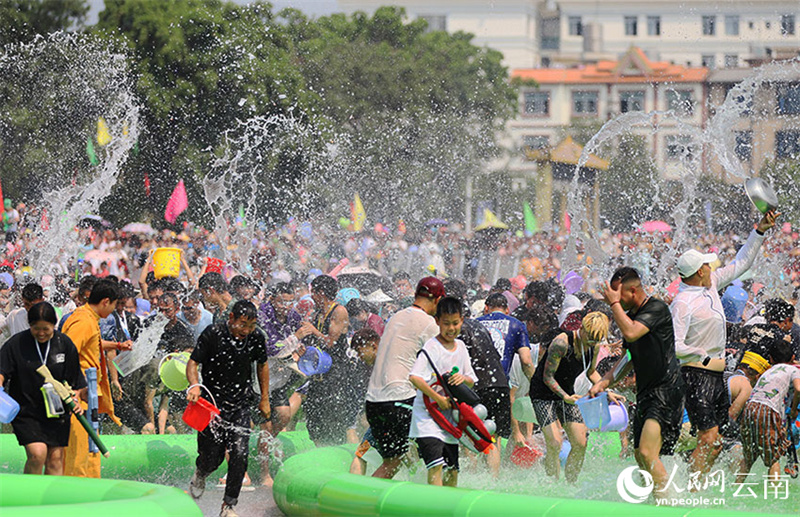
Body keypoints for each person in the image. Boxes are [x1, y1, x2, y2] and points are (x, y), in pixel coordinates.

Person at [671, 209, 778, 477]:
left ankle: (695, 484)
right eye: (707, 265)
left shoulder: (711, 284)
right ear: (698, 272)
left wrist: (760, 231)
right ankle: (689, 489)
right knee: (708, 439)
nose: (712, 267)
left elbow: (743, 263)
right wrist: (703, 356)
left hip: (717, 378)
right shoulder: (682, 303)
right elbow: (674, 346)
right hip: (696, 375)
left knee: (716, 443)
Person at [590, 267, 685, 497]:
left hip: (666, 390)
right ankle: (658, 500)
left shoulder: (657, 308)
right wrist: (604, 381)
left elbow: (632, 333)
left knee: (647, 451)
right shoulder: (631, 316)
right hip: (646, 393)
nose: (616, 302)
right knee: (639, 455)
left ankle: (672, 507)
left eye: (618, 296)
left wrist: (613, 305)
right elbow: (628, 357)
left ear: (633, 290)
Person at [187, 300, 269, 517]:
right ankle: (201, 472)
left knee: (240, 454)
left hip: (241, 405)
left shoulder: (256, 337)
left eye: (251, 326)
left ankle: (228, 506)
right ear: (231, 318)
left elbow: (262, 365)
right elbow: (193, 362)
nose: (246, 331)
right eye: (243, 324)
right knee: (212, 458)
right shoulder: (213, 333)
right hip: (211, 406)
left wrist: (265, 399)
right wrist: (194, 386)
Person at [365, 276, 444, 479]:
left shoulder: (396, 316)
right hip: (399, 400)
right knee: (437, 453)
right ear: (437, 300)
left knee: (392, 461)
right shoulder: (428, 323)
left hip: (374, 402)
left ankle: (364, 504)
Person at [0, 302, 87, 475]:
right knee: (37, 454)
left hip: (57, 411)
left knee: (55, 459)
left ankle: (52, 500)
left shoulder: (64, 344)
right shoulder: (17, 344)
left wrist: (77, 398)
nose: (41, 333)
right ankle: (29, 497)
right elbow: (2, 371)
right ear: (29, 325)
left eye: (46, 329)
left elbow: (77, 382)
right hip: (26, 410)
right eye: (36, 328)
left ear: (54, 325)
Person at [528, 311, 609, 482]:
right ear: (582, 328)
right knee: (555, 443)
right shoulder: (561, 343)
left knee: (580, 443)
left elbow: (591, 372)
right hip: (543, 393)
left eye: (597, 340)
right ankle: (553, 484)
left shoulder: (593, 346)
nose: (592, 342)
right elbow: (547, 377)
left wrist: (605, 389)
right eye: (590, 338)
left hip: (567, 393)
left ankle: (570, 484)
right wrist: (565, 396)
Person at [62, 278, 129, 478]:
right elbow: (65, 355)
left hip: (87, 396)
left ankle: (92, 499)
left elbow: (93, 344)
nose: (115, 310)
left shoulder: (90, 318)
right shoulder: (83, 320)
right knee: (78, 455)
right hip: (77, 395)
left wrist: (117, 346)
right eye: (115, 305)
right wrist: (71, 390)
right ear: (105, 301)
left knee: (91, 453)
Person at [444, 278, 510, 478]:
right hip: (500, 384)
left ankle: (476, 478)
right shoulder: (480, 327)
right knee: (493, 436)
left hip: (480, 388)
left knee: (473, 434)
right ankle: (494, 480)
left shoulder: (458, 331)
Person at [408, 296, 476, 487]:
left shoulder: (461, 347)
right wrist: (437, 397)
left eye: (455, 323)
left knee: (453, 472)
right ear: (437, 321)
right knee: (436, 466)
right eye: (446, 324)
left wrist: (463, 379)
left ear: (462, 320)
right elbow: (414, 377)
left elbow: (471, 380)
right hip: (427, 418)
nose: (451, 328)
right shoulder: (431, 346)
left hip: (450, 420)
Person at [256, 282, 312, 486]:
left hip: (280, 376)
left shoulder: (293, 316)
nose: (287, 306)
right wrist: (295, 339)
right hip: (260, 379)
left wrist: (301, 346)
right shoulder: (262, 316)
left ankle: (265, 444)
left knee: (285, 416)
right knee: (266, 424)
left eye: (290, 301)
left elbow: (295, 341)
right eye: (282, 302)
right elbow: (271, 348)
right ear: (272, 299)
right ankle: (263, 473)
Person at [737, 339, 800, 483]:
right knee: (773, 456)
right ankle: (774, 492)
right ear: (792, 358)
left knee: (749, 456)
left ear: (770, 359)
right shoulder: (793, 370)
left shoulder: (768, 370)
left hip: (750, 407)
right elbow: (798, 388)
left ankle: (736, 486)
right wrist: (794, 409)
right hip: (768, 408)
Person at [302, 275, 352, 445]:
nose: (312, 297)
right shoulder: (318, 313)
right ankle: (319, 449)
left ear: (321, 293)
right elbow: (316, 342)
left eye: (313, 293)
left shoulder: (338, 311)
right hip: (318, 372)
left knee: (333, 415)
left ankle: (337, 450)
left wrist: (313, 331)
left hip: (335, 373)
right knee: (313, 413)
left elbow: (331, 342)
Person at [477, 293, 535, 379]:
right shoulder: (517, 325)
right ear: (507, 310)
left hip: (475, 382)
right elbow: (526, 361)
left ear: (486, 308)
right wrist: (535, 385)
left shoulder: (474, 324)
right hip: (500, 382)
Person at [349, 328, 381, 475]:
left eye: (361, 351)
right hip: (380, 423)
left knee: (361, 455)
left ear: (374, 346)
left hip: (391, 420)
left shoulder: (388, 363)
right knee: (361, 454)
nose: (360, 357)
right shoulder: (378, 363)